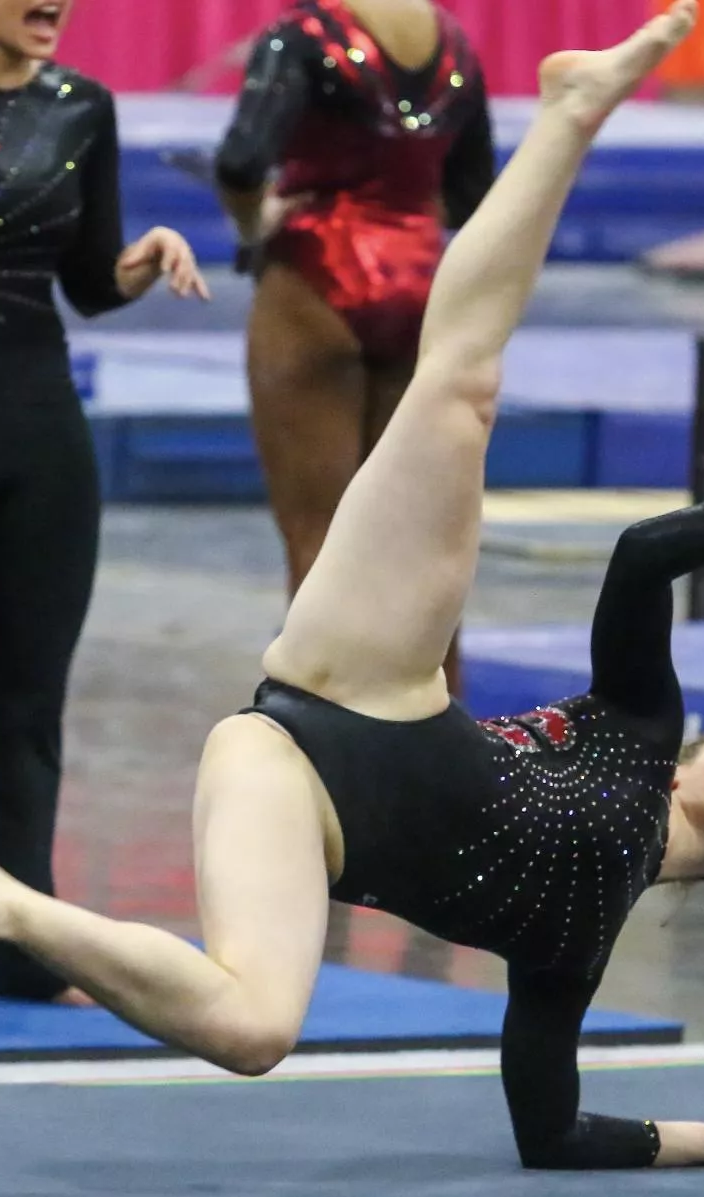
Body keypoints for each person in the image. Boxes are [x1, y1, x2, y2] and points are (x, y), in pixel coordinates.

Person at [0, 2, 704, 1170]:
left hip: (292, 795)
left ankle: (8, 898)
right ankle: (573, 109)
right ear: (691, 757)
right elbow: (643, 553)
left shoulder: (571, 952)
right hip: (371, 677)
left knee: (255, 1026)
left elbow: (553, 1130)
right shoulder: (638, 731)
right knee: (460, 388)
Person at [0, 0, 209, 1007]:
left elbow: (85, 282)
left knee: (28, 704)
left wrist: (143, 254)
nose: (54, 5)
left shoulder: (84, 106)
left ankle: (20, 945)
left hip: (43, 434)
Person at [212, 0, 496, 697]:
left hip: (317, 278)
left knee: (322, 541)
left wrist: (256, 222)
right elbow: (474, 193)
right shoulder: (456, 47)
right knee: (422, 540)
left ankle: (329, 741)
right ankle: (437, 725)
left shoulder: (300, 37)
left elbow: (242, 159)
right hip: (423, 288)